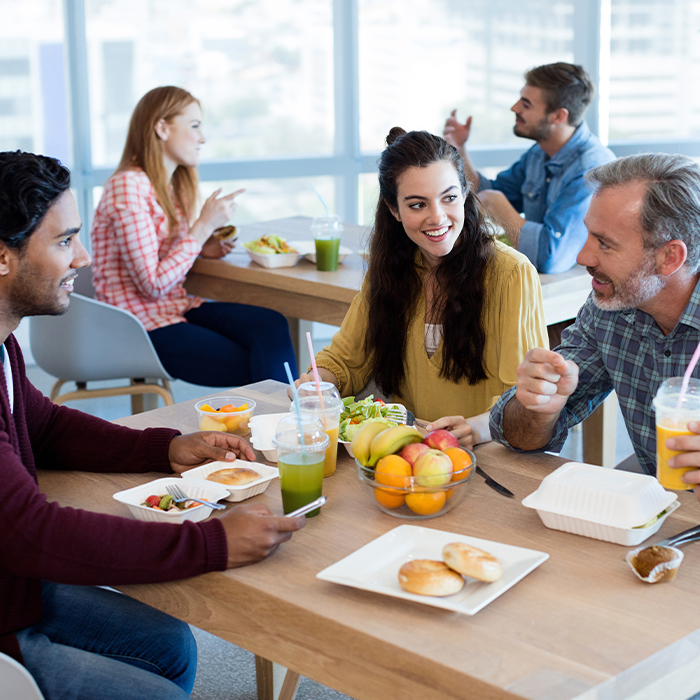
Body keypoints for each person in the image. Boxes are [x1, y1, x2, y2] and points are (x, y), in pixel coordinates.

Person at [0, 150, 306, 699]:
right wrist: (210, 543)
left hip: (12, 587)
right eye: (65, 241)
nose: (85, 258)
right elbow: (32, 532)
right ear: (3, 258)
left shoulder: (3, 347)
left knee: (170, 645)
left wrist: (166, 449)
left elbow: (42, 426)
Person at [297, 128, 549, 449]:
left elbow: (525, 397)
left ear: (465, 192)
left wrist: (478, 427)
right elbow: (346, 360)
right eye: (418, 205)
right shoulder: (390, 269)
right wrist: (317, 384)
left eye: (449, 198)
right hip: (408, 455)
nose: (438, 217)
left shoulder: (513, 273)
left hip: (487, 458)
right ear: (393, 209)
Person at [489, 153, 700, 499]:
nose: (582, 257)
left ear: (670, 258)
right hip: (659, 514)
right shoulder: (612, 309)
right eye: (589, 235)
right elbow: (517, 436)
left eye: (605, 243)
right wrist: (540, 407)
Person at [91, 86, 297, 387]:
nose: (202, 138)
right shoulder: (128, 186)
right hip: (139, 326)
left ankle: (282, 425)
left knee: (272, 325)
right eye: (195, 126)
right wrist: (201, 227)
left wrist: (202, 245)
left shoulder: (172, 186)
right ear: (162, 128)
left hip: (175, 308)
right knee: (259, 362)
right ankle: (283, 427)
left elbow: (158, 255)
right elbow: (152, 284)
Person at [443, 62, 615, 275]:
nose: (514, 108)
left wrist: (501, 208)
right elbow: (483, 192)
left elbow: (549, 258)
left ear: (558, 116)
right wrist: (459, 148)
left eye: (526, 104)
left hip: (576, 292)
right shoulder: (539, 153)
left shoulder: (591, 169)